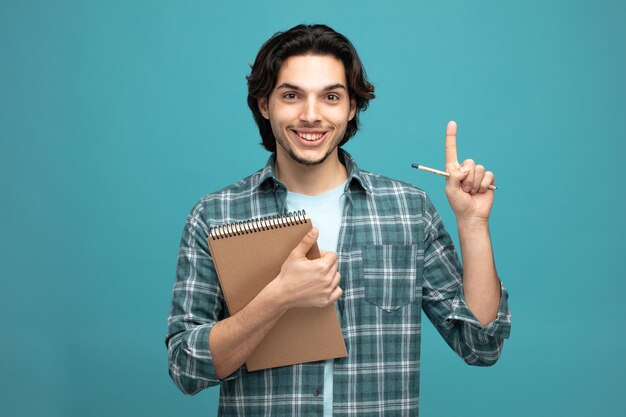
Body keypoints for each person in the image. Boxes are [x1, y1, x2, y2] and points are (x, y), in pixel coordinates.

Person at [166, 24, 511, 416]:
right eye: (292, 95)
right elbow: (185, 368)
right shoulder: (215, 216)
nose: (311, 115)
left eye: (330, 96)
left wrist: (474, 225)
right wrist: (278, 299)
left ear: (351, 108)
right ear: (265, 104)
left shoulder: (409, 210)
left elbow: (481, 345)